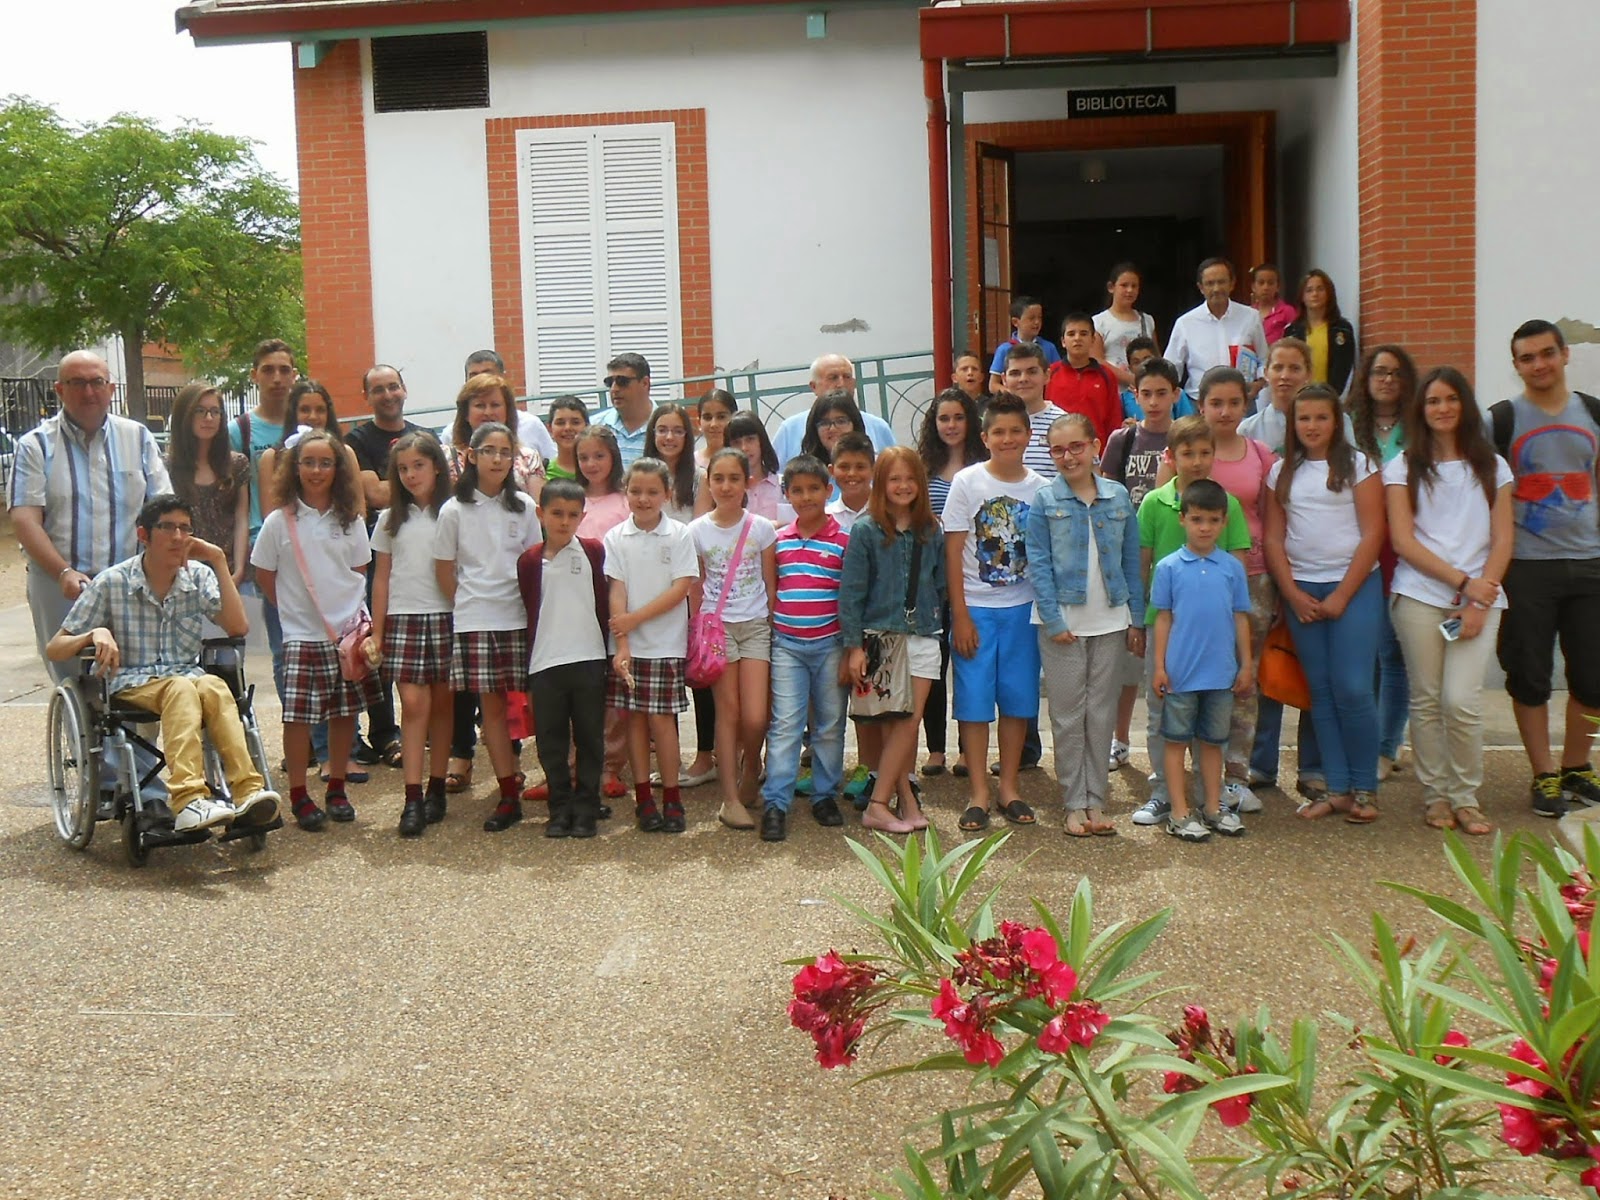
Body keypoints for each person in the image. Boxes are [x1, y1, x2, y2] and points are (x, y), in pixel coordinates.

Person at [46, 495, 279, 834]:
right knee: (182, 687)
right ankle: (187, 799)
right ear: (144, 535)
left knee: (213, 684)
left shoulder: (198, 576)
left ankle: (247, 791)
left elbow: (238, 627)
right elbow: (56, 647)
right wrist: (93, 634)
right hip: (131, 681)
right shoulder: (113, 582)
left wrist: (216, 558)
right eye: (168, 527)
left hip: (186, 677)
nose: (179, 537)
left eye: (185, 528)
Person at [1386, 367, 1513, 836]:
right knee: (1426, 699)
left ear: (1465, 405)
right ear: (1421, 410)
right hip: (1419, 595)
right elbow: (1403, 540)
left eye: (1451, 399)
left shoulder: (1493, 466)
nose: (1442, 409)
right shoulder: (1401, 467)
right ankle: (1436, 796)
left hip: (1481, 598)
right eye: (1433, 401)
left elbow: (1502, 539)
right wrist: (1463, 581)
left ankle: (1466, 796)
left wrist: (1480, 596)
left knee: (1462, 701)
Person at [1487, 319, 1600, 817]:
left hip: (1590, 563)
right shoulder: (1501, 420)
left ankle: (1577, 766)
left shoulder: (1594, 413)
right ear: (1516, 366)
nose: (1539, 365)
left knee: (1593, 678)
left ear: (1564, 354)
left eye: (1546, 354)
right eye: (1527, 358)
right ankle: (1543, 774)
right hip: (1527, 567)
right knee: (1530, 674)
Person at [10, 350, 172, 686]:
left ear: (111, 389)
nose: (88, 392)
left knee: (139, 678)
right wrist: (63, 571)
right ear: (59, 390)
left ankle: (132, 741)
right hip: (59, 584)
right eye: (77, 383)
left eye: (96, 382)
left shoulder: (137, 438)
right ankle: (82, 735)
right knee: (72, 678)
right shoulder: (35, 446)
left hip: (129, 583)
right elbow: (25, 519)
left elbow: (162, 508)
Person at [1264, 384, 1387, 824]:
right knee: (1320, 692)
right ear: (1293, 424)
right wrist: (1293, 593)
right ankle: (1336, 788)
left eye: (1321, 417)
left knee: (1353, 688)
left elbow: (1373, 533)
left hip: (1354, 588)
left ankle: (1364, 787)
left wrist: (1341, 595)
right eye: (1304, 418)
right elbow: (1274, 538)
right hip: (1302, 591)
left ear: (1337, 421)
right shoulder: (1281, 471)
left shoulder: (1362, 465)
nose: (1312, 426)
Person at [251, 429, 381, 831]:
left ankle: (337, 787)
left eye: (326, 462)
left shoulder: (351, 520)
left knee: (345, 713)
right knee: (299, 718)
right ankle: (298, 795)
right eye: (309, 462)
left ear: (338, 469)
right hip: (301, 634)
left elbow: (359, 570)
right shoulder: (279, 521)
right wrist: (294, 610)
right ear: (295, 467)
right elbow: (264, 574)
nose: (317, 470)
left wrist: (342, 615)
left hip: (347, 635)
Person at [1025, 412, 1145, 837]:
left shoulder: (1117, 497)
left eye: (1076, 446)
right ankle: (1073, 803)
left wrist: (1137, 618)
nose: (1068, 456)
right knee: (1067, 714)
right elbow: (1037, 565)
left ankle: (1097, 801)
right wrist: (1054, 618)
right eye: (1057, 449)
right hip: (1062, 623)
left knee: (1101, 712)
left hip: (1111, 619)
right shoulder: (1044, 501)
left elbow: (1131, 560)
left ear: (1095, 446)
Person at [1132, 416, 1252, 827]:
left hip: (1214, 632)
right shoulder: (1154, 503)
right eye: (1187, 453)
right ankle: (1164, 794)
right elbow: (1143, 563)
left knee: (1210, 720)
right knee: (1160, 714)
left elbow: (1235, 574)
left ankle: (1209, 800)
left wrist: (1241, 652)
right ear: (1172, 456)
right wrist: (1137, 619)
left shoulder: (1227, 504)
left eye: (1204, 452)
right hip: (1165, 623)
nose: (1197, 461)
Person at [944, 392, 1045, 832]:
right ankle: (979, 793)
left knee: (1018, 699)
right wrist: (960, 615)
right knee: (974, 701)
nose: (1008, 439)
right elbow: (952, 552)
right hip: (977, 609)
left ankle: (1009, 787)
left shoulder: (1041, 488)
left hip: (1023, 609)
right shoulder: (967, 483)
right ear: (984, 437)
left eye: (1015, 431)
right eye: (998, 431)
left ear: (1027, 434)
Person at [434, 422, 542, 833]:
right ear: (471, 456)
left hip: (520, 617)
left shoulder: (525, 508)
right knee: (493, 710)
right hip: (477, 619)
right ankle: (507, 791)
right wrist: (465, 605)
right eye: (489, 451)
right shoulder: (453, 510)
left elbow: (535, 561)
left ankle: (559, 786)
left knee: (540, 704)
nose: (497, 459)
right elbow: (445, 568)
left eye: (505, 451)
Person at [840, 447, 947, 833]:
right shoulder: (866, 530)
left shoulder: (931, 530)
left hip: (922, 634)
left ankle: (898, 799)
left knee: (909, 721)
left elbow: (940, 584)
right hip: (879, 638)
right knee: (893, 723)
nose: (903, 486)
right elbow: (851, 593)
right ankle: (883, 803)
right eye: (894, 479)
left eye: (910, 478)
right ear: (881, 485)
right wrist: (853, 647)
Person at [1150, 479, 1254, 842]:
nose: (1204, 527)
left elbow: (1241, 617)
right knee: (1176, 742)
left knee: (1214, 743)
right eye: (1197, 519)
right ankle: (1179, 811)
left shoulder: (1232, 568)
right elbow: (1163, 618)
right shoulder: (1168, 568)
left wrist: (1246, 664)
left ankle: (1212, 806)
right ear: (1183, 519)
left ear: (1224, 522)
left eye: (1212, 520)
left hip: (1221, 674)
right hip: (1181, 674)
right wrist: (1160, 665)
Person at [1193, 366, 1277, 814]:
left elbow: (1272, 516)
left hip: (1252, 577)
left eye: (1234, 402)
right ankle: (1197, 771)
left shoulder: (1260, 454)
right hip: (1196, 580)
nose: (1225, 412)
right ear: (1201, 405)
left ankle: (1237, 774)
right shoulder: (1188, 453)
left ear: (1246, 404)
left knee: (1245, 677)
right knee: (1199, 677)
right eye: (1215, 403)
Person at [604, 458, 700, 832]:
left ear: (666, 494)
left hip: (665, 645)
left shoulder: (679, 534)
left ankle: (672, 796)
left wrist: (635, 619)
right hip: (631, 647)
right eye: (635, 491)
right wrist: (622, 641)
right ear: (625, 492)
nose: (643, 499)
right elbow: (617, 589)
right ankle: (643, 797)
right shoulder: (616, 537)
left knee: (663, 723)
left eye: (652, 492)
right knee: (635, 722)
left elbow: (680, 589)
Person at [760, 455, 852, 841]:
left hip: (830, 644)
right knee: (785, 725)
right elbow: (772, 590)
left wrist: (850, 646)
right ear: (787, 495)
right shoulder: (778, 540)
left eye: (814, 488)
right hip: (787, 646)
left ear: (828, 490)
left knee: (829, 725)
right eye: (797, 490)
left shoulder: (844, 540)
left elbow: (849, 598)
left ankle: (824, 795)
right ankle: (776, 802)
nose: (806, 496)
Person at [516, 479, 611, 839]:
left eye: (573, 515)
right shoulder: (529, 561)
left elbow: (604, 600)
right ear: (541, 514)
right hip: (545, 663)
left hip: (588, 659)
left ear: (582, 517)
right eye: (557, 513)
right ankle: (559, 807)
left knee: (590, 738)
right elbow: (528, 606)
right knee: (551, 742)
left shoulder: (592, 552)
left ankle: (586, 807)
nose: (564, 521)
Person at [370, 431, 455, 837]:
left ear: (436, 466)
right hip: (405, 618)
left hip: (447, 616)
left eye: (418, 465)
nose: (410, 475)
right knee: (413, 703)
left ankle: (437, 786)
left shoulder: (454, 512)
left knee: (442, 706)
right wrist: (377, 631)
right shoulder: (389, 519)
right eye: (402, 469)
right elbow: (381, 577)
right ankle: (412, 797)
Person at [1101, 357, 1182, 772]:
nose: (1153, 401)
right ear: (1134, 396)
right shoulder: (1122, 441)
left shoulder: (1185, 438)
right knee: (1128, 660)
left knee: (1166, 657)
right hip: (1128, 559)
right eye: (1145, 393)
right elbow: (1106, 492)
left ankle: (1170, 745)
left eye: (1161, 393)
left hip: (1172, 557)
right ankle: (1119, 740)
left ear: (1176, 396)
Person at [691, 449, 778, 829]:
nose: (726, 487)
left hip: (756, 624)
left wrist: (775, 625)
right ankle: (729, 799)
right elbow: (695, 587)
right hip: (718, 629)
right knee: (729, 714)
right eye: (718, 479)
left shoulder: (761, 528)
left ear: (747, 483)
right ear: (708, 482)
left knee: (757, 716)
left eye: (734, 479)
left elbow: (771, 586)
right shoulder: (695, 531)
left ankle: (750, 768)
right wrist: (697, 630)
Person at [344, 363, 422, 772]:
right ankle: (384, 733)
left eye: (393, 386)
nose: (388, 394)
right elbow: (373, 494)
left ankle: (410, 730)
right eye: (378, 389)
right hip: (381, 551)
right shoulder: (357, 440)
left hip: (421, 552)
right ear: (367, 397)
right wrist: (420, 483)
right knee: (377, 640)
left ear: (405, 389)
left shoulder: (421, 436)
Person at [1348, 345, 1420, 782]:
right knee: (1366, 649)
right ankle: (1364, 739)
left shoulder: (1419, 427)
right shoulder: (1349, 426)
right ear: (1366, 378)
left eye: (1395, 373)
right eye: (1379, 372)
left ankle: (1386, 745)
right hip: (1358, 543)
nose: (1387, 380)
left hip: (1405, 544)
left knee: (1394, 652)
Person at [916, 388, 986, 776]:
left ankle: (965, 749)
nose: (952, 425)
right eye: (944, 418)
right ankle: (936, 749)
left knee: (966, 664)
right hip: (931, 580)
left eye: (958, 417)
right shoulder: (923, 468)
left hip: (972, 577)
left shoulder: (985, 464)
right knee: (932, 664)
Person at [165, 382, 249, 587]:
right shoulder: (166, 468)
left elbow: (241, 517)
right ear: (184, 415)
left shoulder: (237, 464)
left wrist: (238, 569)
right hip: (183, 575)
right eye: (200, 411)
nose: (209, 418)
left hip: (230, 571)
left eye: (215, 411)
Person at [1164, 258, 1270, 404]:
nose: (1216, 288)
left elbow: (1264, 359)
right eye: (1210, 283)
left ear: (1232, 284)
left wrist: (1258, 383)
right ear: (1200, 287)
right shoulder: (1185, 323)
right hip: (1199, 405)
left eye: (1221, 282)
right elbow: (1171, 369)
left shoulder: (1250, 317)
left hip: (1241, 404)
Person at [258, 379, 364, 516]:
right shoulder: (271, 458)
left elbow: (358, 510)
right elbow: (269, 515)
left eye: (320, 410)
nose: (313, 417)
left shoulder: (346, 453)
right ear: (293, 413)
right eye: (305, 410)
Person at [771, 355, 896, 466]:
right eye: (833, 378)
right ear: (814, 386)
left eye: (847, 377)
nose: (841, 384)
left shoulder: (878, 426)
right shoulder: (789, 429)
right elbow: (776, 476)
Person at [1239, 337, 1354, 454]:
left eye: (1295, 368)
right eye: (1278, 368)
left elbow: (1351, 466)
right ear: (1266, 373)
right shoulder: (1248, 430)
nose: (1285, 376)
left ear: (1309, 374)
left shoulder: (1337, 422)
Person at [447, 374, 546, 498]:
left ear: (507, 411)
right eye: (480, 405)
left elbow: (539, 509)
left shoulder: (529, 458)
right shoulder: (447, 458)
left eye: (495, 405)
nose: (488, 412)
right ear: (466, 413)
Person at [462, 349, 558, 463]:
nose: (482, 382)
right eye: (474, 377)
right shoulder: (450, 435)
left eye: (487, 375)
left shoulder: (531, 425)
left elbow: (553, 464)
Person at [1044, 312, 1122, 443]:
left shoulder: (1106, 376)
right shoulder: (1050, 373)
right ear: (1063, 341)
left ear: (1093, 340)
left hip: (1095, 451)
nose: (1077, 338)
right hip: (1057, 451)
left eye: (1084, 334)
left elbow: (1113, 420)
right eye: (1071, 334)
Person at [1284, 270, 1357, 394]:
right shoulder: (1292, 331)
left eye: (1320, 289)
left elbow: (1348, 368)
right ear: (1302, 296)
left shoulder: (1342, 329)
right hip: (1300, 398)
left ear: (1329, 293)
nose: (1315, 294)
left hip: (1332, 398)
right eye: (1309, 290)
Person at [1000, 342, 1063, 480]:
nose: (1023, 379)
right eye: (1015, 373)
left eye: (1032, 372)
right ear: (1004, 379)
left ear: (1047, 375)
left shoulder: (1064, 424)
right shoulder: (994, 424)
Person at [1093, 263, 1160, 387]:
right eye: (1124, 285)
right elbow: (1097, 361)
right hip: (1113, 391)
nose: (1129, 290)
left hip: (1144, 393)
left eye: (1134, 286)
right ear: (1111, 287)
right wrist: (1130, 379)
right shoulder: (1098, 322)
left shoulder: (1147, 320)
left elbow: (1156, 357)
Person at [592, 352, 655, 468]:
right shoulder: (594, 426)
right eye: (610, 382)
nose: (614, 389)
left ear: (645, 383)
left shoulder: (666, 427)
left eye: (622, 381)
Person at [644, 403, 704, 524]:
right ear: (653, 434)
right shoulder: (640, 476)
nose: (669, 437)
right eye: (662, 430)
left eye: (678, 431)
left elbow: (700, 529)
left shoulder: (701, 478)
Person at [986, 296, 1060, 393]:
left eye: (1039, 317)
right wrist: (1015, 395)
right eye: (1031, 318)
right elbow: (993, 385)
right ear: (1015, 322)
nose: (1037, 322)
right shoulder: (1004, 349)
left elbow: (1058, 378)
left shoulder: (1049, 347)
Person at [724, 412, 783, 522]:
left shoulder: (783, 485)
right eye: (736, 443)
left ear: (761, 441)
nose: (744, 448)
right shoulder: (726, 490)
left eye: (750, 439)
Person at [574, 425, 631, 538]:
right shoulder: (571, 499)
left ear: (613, 456)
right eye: (583, 458)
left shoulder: (628, 501)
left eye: (599, 456)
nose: (591, 464)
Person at [800, 390, 868, 465]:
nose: (832, 429)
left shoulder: (875, 467)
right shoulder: (805, 472)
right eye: (825, 423)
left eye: (841, 421)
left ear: (855, 424)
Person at [826, 432, 875, 530]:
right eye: (844, 467)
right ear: (831, 471)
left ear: (874, 470)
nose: (852, 473)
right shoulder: (826, 517)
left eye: (860, 467)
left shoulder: (889, 511)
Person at [1249, 263, 1298, 345]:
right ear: (1253, 287)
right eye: (1261, 283)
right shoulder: (1249, 312)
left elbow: (1295, 339)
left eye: (1270, 283)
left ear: (1278, 287)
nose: (1266, 287)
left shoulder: (1287, 311)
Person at [545, 396, 589, 482]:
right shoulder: (542, 473)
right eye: (560, 423)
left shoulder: (597, 471)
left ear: (587, 427)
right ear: (550, 429)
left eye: (575, 422)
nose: (568, 428)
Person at [695, 389, 737, 467]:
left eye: (721, 417)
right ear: (699, 423)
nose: (713, 424)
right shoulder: (691, 464)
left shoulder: (746, 460)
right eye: (707, 417)